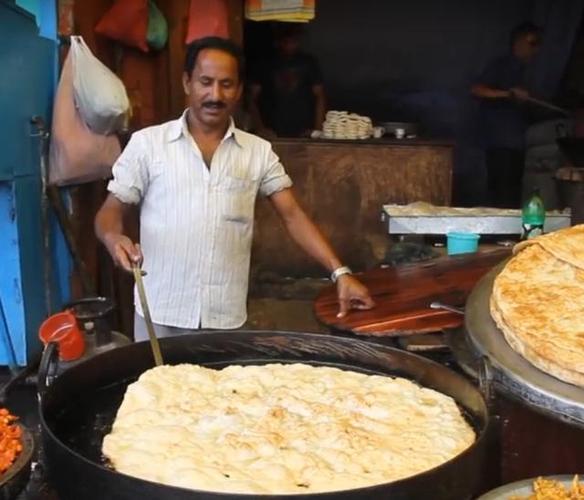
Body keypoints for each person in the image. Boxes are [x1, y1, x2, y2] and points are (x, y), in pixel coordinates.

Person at [95, 36, 373, 341]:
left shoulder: (258, 152)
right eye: (206, 81)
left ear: (239, 90)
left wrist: (340, 273)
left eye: (226, 84)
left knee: (221, 390)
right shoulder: (148, 145)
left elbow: (293, 215)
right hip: (161, 312)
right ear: (187, 83)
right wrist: (112, 237)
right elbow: (112, 208)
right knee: (155, 389)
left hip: (224, 316)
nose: (215, 94)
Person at [471, 22, 542, 208]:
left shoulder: (528, 71)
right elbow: (477, 90)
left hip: (517, 144)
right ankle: (497, 236)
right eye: (532, 43)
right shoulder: (501, 65)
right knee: (500, 194)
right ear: (518, 43)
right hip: (500, 143)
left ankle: (509, 235)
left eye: (538, 44)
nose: (536, 49)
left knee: (512, 195)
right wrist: (508, 94)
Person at [249, 24, 326, 138]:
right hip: (272, 132)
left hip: (304, 131)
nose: (289, 45)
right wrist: (260, 128)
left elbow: (320, 96)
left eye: (293, 41)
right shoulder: (265, 63)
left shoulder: (308, 62)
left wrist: (317, 130)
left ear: (299, 40)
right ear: (278, 41)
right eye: (286, 41)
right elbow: (251, 98)